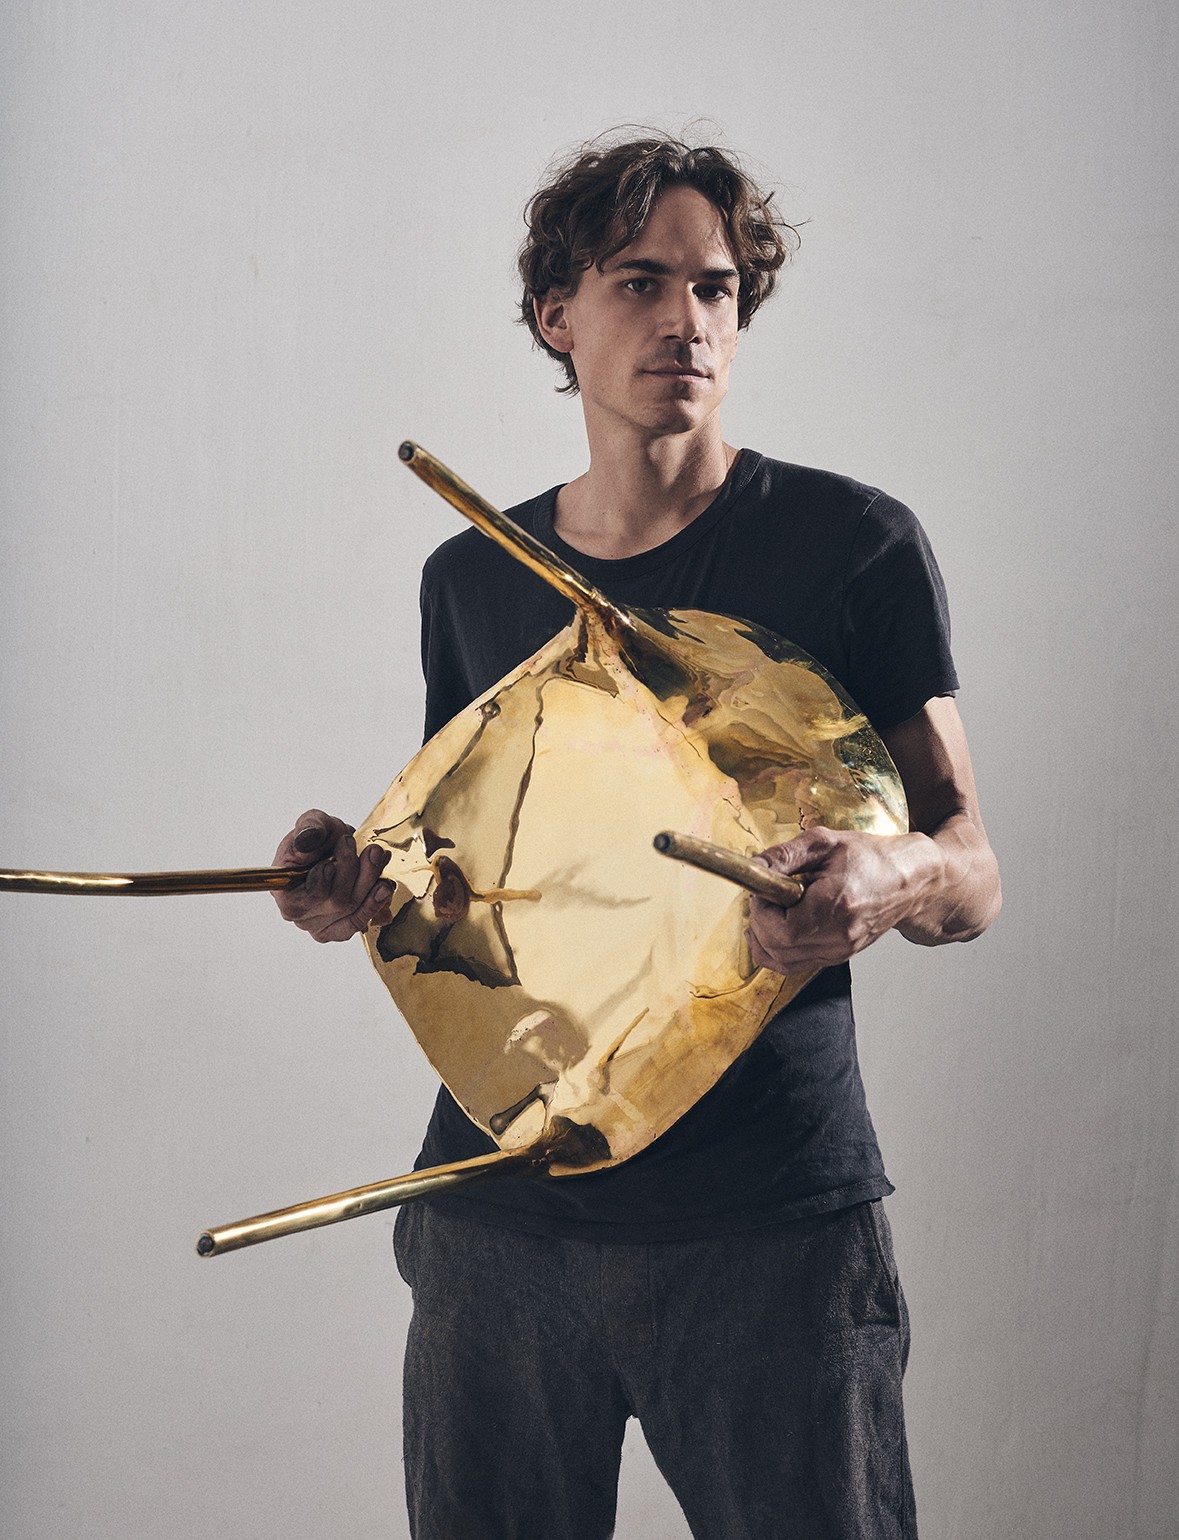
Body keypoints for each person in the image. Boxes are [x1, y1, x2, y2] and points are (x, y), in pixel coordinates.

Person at [273, 134, 1001, 1539]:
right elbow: (479, 879)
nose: (688, 321)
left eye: (716, 289)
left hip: (768, 1226)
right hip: (500, 1207)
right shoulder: (471, 577)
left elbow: (974, 871)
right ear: (558, 314)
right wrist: (357, 885)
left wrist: (890, 877)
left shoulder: (853, 545)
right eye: (641, 282)